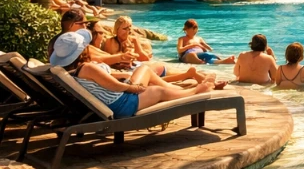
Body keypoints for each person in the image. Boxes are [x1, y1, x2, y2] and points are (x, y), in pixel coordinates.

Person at [53, 31, 219, 117]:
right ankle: (196, 91)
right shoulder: (87, 68)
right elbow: (114, 86)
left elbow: (106, 81)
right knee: (156, 90)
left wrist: (125, 78)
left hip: (114, 101)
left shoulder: (74, 70)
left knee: (145, 70)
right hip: (121, 104)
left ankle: (182, 89)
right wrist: (133, 88)